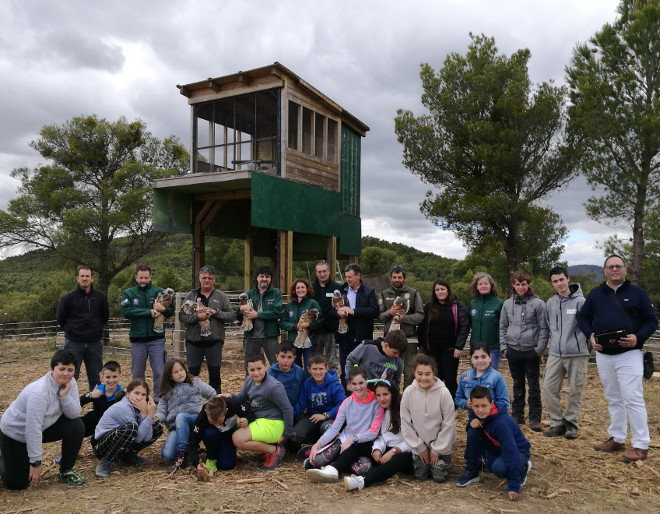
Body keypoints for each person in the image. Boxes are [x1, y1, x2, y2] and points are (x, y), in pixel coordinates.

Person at [577, 254, 657, 462]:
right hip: (604, 355)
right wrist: (591, 335)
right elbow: (583, 317)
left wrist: (637, 338)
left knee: (633, 398)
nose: (614, 270)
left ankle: (640, 445)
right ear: (604, 270)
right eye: (610, 267)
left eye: (618, 266)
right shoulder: (595, 294)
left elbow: (651, 321)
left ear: (625, 269)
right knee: (613, 398)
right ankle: (618, 438)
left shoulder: (637, 293)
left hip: (629, 354)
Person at [0, 350, 86, 489]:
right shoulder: (39, 393)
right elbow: (32, 429)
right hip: (16, 434)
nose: (66, 373)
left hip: (44, 425)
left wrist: (64, 397)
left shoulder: (71, 383)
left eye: (70, 370)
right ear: (52, 369)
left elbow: (74, 414)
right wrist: (36, 463)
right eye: (61, 369)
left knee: (76, 426)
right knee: (17, 484)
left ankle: (66, 470)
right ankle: (4, 455)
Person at [305, 366, 384, 483]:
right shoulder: (346, 403)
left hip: (365, 443)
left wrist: (353, 439)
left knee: (364, 468)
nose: (358, 387)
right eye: (354, 384)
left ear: (367, 381)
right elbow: (334, 428)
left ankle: (334, 465)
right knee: (314, 462)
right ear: (350, 385)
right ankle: (333, 458)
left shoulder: (376, 403)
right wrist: (317, 444)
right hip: (344, 440)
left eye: (361, 383)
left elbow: (373, 432)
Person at [455, 386, 532, 502]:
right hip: (496, 446)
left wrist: (513, 486)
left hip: (517, 450)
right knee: (473, 432)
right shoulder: (476, 414)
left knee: (499, 469)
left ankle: (523, 467)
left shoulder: (501, 423)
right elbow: (474, 431)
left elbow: (511, 451)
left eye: (484, 406)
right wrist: (471, 422)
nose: (480, 410)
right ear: (471, 406)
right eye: (476, 406)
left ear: (491, 404)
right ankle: (471, 470)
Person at [222, 353, 293, 471]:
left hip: (273, 423)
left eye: (259, 369)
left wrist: (286, 434)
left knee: (238, 438)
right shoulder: (250, 380)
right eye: (252, 370)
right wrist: (229, 396)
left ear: (266, 366)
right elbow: (241, 398)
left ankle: (274, 450)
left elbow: (287, 409)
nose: (256, 373)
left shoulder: (274, 387)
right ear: (247, 369)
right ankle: (266, 448)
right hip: (258, 420)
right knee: (232, 427)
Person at [543, 266, 590, 440]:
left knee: (575, 390)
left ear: (568, 279)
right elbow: (547, 326)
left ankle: (571, 424)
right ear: (552, 283)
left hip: (577, 353)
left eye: (561, 279)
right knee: (548, 388)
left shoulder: (581, 302)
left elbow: (587, 327)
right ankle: (557, 423)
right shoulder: (550, 303)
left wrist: (584, 348)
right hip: (555, 353)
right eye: (555, 281)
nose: (559, 284)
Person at [499, 270, 548, 431]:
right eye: (518, 284)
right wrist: (504, 347)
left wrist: (539, 350)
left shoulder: (538, 304)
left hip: (531, 350)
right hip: (513, 350)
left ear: (528, 284)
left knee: (533, 384)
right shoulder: (507, 304)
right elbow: (503, 326)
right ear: (513, 284)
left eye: (524, 284)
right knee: (517, 383)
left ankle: (534, 417)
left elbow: (543, 328)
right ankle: (517, 414)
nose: (521, 287)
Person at [344, 379, 413, 491]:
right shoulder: (382, 411)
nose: (382, 399)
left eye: (385, 394)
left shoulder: (404, 411)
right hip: (387, 450)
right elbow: (380, 436)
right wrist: (377, 449)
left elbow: (413, 440)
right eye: (378, 395)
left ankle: (363, 481)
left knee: (400, 459)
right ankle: (335, 467)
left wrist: (394, 450)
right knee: (359, 445)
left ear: (393, 394)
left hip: (404, 453)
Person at [121, 263, 175, 399]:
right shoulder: (128, 293)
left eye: (146, 278)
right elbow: (126, 311)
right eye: (141, 278)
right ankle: (139, 399)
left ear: (150, 277)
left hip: (156, 339)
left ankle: (159, 400)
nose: (143, 281)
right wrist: (148, 312)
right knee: (137, 373)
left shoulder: (160, 292)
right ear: (136, 277)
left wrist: (163, 309)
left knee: (159, 371)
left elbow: (170, 311)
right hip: (137, 340)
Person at [179, 265, 236, 393]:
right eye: (204, 277)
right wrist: (197, 317)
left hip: (214, 342)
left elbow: (232, 316)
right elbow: (182, 316)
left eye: (209, 278)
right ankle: (191, 402)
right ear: (199, 279)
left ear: (214, 280)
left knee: (215, 375)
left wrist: (216, 312)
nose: (207, 280)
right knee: (192, 375)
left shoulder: (221, 296)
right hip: (194, 342)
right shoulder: (191, 295)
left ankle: (216, 404)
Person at [400, 354, 456, 483]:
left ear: (434, 373)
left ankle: (441, 458)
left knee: (438, 478)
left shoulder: (444, 393)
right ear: (414, 372)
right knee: (420, 476)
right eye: (419, 374)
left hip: (440, 445)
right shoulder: (409, 392)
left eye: (427, 374)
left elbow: (449, 424)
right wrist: (420, 447)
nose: (423, 378)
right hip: (420, 445)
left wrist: (437, 450)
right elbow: (406, 423)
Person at [155, 358, 218, 472]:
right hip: (177, 427)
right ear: (169, 376)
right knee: (167, 455)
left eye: (181, 370)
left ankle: (181, 455)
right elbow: (162, 411)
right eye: (176, 372)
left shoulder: (195, 382)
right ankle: (188, 448)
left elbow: (212, 394)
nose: (180, 373)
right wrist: (156, 418)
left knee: (182, 416)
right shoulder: (166, 391)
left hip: (195, 421)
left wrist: (208, 411)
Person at [92, 378, 163, 478]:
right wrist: (149, 415)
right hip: (101, 446)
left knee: (157, 427)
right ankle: (106, 461)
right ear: (128, 394)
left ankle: (128, 456)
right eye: (136, 393)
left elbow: (147, 437)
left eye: (143, 395)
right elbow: (138, 438)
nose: (140, 397)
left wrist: (146, 415)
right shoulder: (124, 407)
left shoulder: (139, 408)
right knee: (131, 428)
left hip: (121, 442)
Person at [56, 265, 110, 390]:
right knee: (70, 376)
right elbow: (61, 319)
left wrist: (95, 330)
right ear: (77, 278)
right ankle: (68, 408)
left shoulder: (101, 297)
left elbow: (105, 317)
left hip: (94, 343)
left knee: (95, 377)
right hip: (73, 343)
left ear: (92, 279)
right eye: (82, 276)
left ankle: (97, 407)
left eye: (87, 276)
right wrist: (72, 331)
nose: (85, 279)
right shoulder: (67, 298)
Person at [417, 279, 470, 399]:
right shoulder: (429, 306)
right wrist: (421, 345)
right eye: (437, 290)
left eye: (442, 289)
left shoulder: (457, 306)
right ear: (434, 292)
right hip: (432, 350)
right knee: (434, 378)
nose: (440, 292)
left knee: (450, 379)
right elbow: (422, 326)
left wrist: (459, 346)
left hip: (450, 350)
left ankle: (453, 406)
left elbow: (464, 325)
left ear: (448, 290)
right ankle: (435, 404)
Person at [332, 263, 379, 388]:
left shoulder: (369, 292)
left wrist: (354, 311)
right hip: (344, 335)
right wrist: (338, 313)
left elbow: (374, 311)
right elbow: (331, 311)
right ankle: (347, 398)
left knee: (363, 368)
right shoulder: (340, 291)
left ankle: (363, 397)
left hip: (362, 336)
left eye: (350, 277)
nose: (347, 279)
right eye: (346, 277)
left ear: (358, 276)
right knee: (344, 368)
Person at [378, 265, 424, 388]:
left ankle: (408, 403)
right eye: (394, 277)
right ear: (390, 278)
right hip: (390, 342)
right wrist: (390, 313)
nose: (397, 280)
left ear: (405, 278)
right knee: (389, 373)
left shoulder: (413, 293)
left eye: (399, 277)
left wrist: (403, 318)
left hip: (409, 340)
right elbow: (380, 317)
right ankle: (392, 403)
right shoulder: (384, 293)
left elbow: (420, 316)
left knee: (409, 374)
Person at [292, 354, 346, 448]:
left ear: (326, 369)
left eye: (321, 369)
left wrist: (326, 415)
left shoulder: (334, 384)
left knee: (326, 428)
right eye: (314, 369)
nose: (318, 372)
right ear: (309, 369)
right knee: (296, 435)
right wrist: (286, 412)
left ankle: (331, 445)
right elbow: (301, 406)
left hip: (330, 417)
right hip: (313, 417)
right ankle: (316, 442)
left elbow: (342, 404)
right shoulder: (307, 385)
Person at [237, 264, 283, 367]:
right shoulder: (248, 294)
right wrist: (240, 309)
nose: (264, 279)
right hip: (251, 337)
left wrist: (257, 314)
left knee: (276, 365)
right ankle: (250, 383)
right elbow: (238, 316)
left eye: (267, 276)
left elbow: (277, 312)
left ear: (270, 279)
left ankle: (275, 383)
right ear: (257, 278)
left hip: (270, 336)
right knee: (250, 366)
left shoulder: (276, 293)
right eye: (262, 276)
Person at [188, 396, 240, 477]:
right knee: (209, 433)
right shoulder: (201, 418)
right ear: (206, 412)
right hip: (212, 435)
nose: (216, 425)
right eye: (213, 423)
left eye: (219, 422)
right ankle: (211, 456)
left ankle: (224, 452)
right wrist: (197, 463)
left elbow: (248, 412)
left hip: (228, 435)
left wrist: (246, 420)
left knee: (227, 465)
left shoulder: (233, 403)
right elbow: (192, 443)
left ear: (226, 411)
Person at [455, 342, 510, 417]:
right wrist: (466, 404)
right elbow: (458, 398)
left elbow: (504, 404)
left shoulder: (497, 378)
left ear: (490, 357)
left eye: (483, 357)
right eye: (476, 357)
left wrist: (490, 407)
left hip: (493, 418)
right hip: (474, 418)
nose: (480, 361)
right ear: (471, 358)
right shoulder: (465, 377)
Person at [280, 278, 323, 369]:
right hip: (294, 341)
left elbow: (320, 321)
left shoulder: (313, 303)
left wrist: (309, 325)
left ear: (307, 289)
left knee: (309, 367)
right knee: (295, 368)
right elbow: (283, 323)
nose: (300, 290)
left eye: (303, 287)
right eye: (298, 288)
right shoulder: (289, 306)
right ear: (294, 290)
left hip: (310, 341)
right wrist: (295, 326)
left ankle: (309, 383)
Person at [468, 272, 504, 370]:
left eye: (486, 283)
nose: (483, 286)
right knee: (476, 377)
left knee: (489, 379)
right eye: (480, 284)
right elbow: (468, 324)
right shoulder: (473, 303)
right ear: (476, 287)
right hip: (475, 348)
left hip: (492, 348)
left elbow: (505, 325)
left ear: (491, 285)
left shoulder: (499, 303)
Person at [80, 360, 123, 437]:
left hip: (109, 428)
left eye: (114, 376)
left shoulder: (121, 395)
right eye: (108, 377)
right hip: (93, 422)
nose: (111, 380)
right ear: (102, 377)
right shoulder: (98, 390)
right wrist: (90, 395)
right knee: (74, 427)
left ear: (120, 376)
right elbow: (79, 402)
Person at [312, 261, 342, 372]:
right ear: (316, 273)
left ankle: (332, 384)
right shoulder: (311, 288)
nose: (322, 274)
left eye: (324, 271)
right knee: (315, 361)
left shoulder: (337, 287)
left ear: (329, 272)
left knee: (332, 362)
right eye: (319, 272)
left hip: (331, 331)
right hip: (315, 331)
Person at [267, 341, 307, 407]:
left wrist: (298, 410)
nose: (285, 361)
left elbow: (304, 393)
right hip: (275, 412)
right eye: (282, 357)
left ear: (294, 358)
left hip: (295, 410)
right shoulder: (269, 374)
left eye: (289, 357)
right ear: (277, 357)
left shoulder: (299, 372)